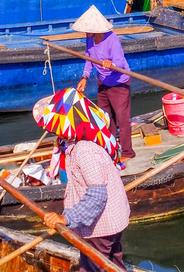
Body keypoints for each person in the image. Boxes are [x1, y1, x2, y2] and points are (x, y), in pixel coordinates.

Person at [41, 101, 130, 271]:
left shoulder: (85, 150)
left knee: (91, 267)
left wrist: (66, 218)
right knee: (114, 265)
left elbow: (97, 195)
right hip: (111, 220)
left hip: (101, 226)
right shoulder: (77, 145)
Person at [75, 5, 135, 161]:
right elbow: (89, 59)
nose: (86, 33)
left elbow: (120, 64)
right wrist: (85, 77)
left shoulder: (112, 39)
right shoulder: (90, 39)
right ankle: (110, 148)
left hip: (119, 84)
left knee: (122, 118)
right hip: (103, 83)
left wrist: (111, 65)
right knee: (105, 118)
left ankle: (128, 152)